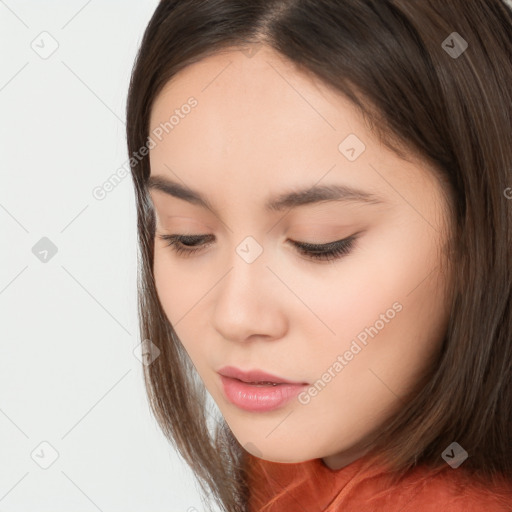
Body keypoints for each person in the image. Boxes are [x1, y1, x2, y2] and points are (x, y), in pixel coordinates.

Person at [125, 1, 512, 510]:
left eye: (319, 243)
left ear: (481, 230)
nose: (235, 316)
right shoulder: (301, 461)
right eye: (187, 235)